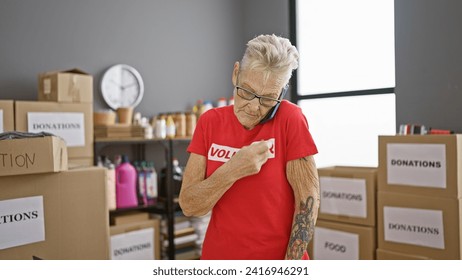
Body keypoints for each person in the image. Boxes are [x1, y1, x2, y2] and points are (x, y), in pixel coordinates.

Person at [179, 34, 319, 260]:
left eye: (267, 99)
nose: (254, 107)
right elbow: (190, 205)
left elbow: (307, 203)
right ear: (236, 73)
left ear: (281, 92)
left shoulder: (290, 119)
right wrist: (233, 169)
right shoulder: (210, 122)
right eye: (246, 91)